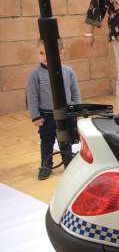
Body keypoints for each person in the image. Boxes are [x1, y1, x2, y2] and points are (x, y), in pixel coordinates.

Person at [27, 39, 81, 180]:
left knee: (65, 141)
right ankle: (46, 166)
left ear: (60, 53)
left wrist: (76, 110)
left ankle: (69, 165)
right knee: (46, 141)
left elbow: (75, 92)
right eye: (41, 53)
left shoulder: (68, 72)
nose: (44, 57)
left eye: (48, 53)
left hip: (65, 114)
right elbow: (32, 96)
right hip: (46, 116)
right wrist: (35, 116)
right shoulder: (35, 75)